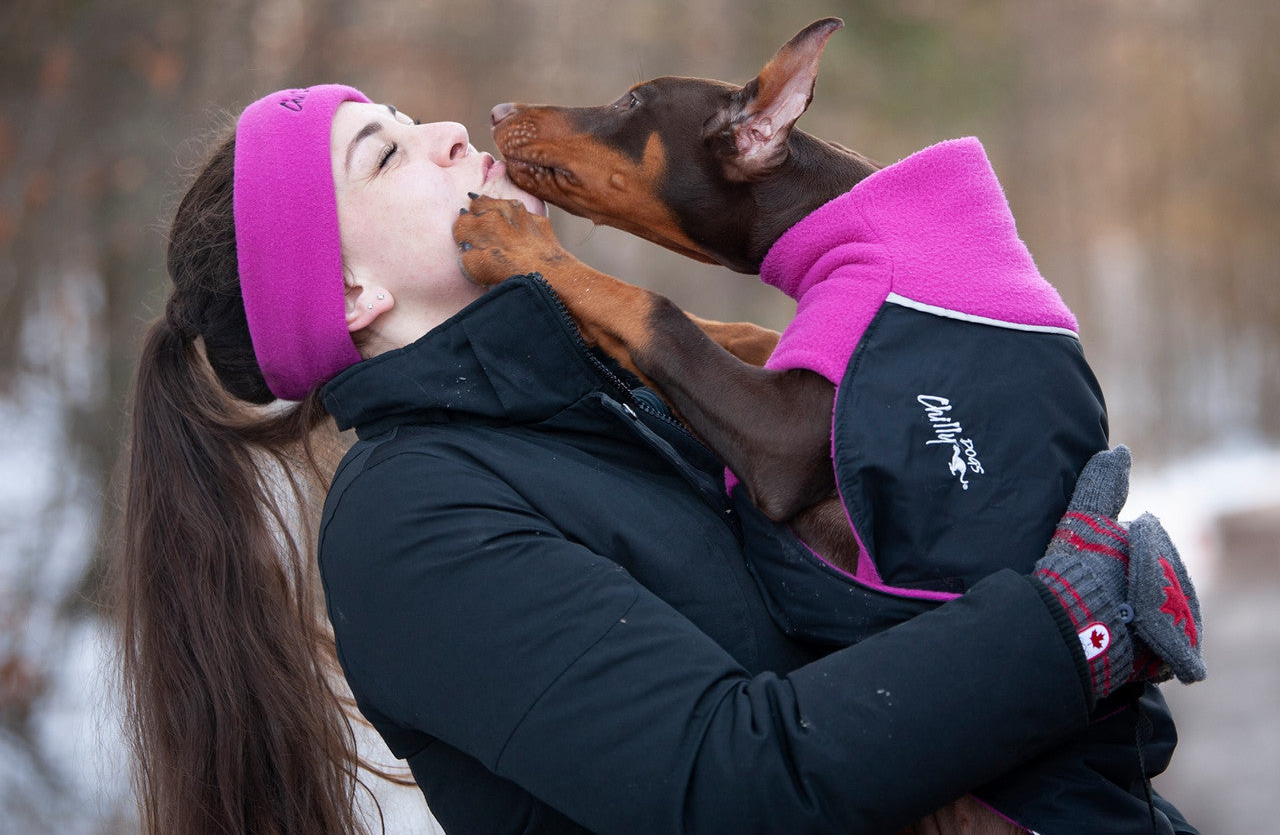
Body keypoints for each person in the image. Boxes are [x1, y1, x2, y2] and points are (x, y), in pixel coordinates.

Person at [117, 84, 1203, 835]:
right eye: (387, 153)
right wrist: (1060, 631)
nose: (447, 129)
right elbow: (725, 784)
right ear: (350, 294)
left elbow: (869, 647)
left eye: (406, 119)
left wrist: (1082, 698)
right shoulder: (411, 522)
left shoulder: (610, 410)